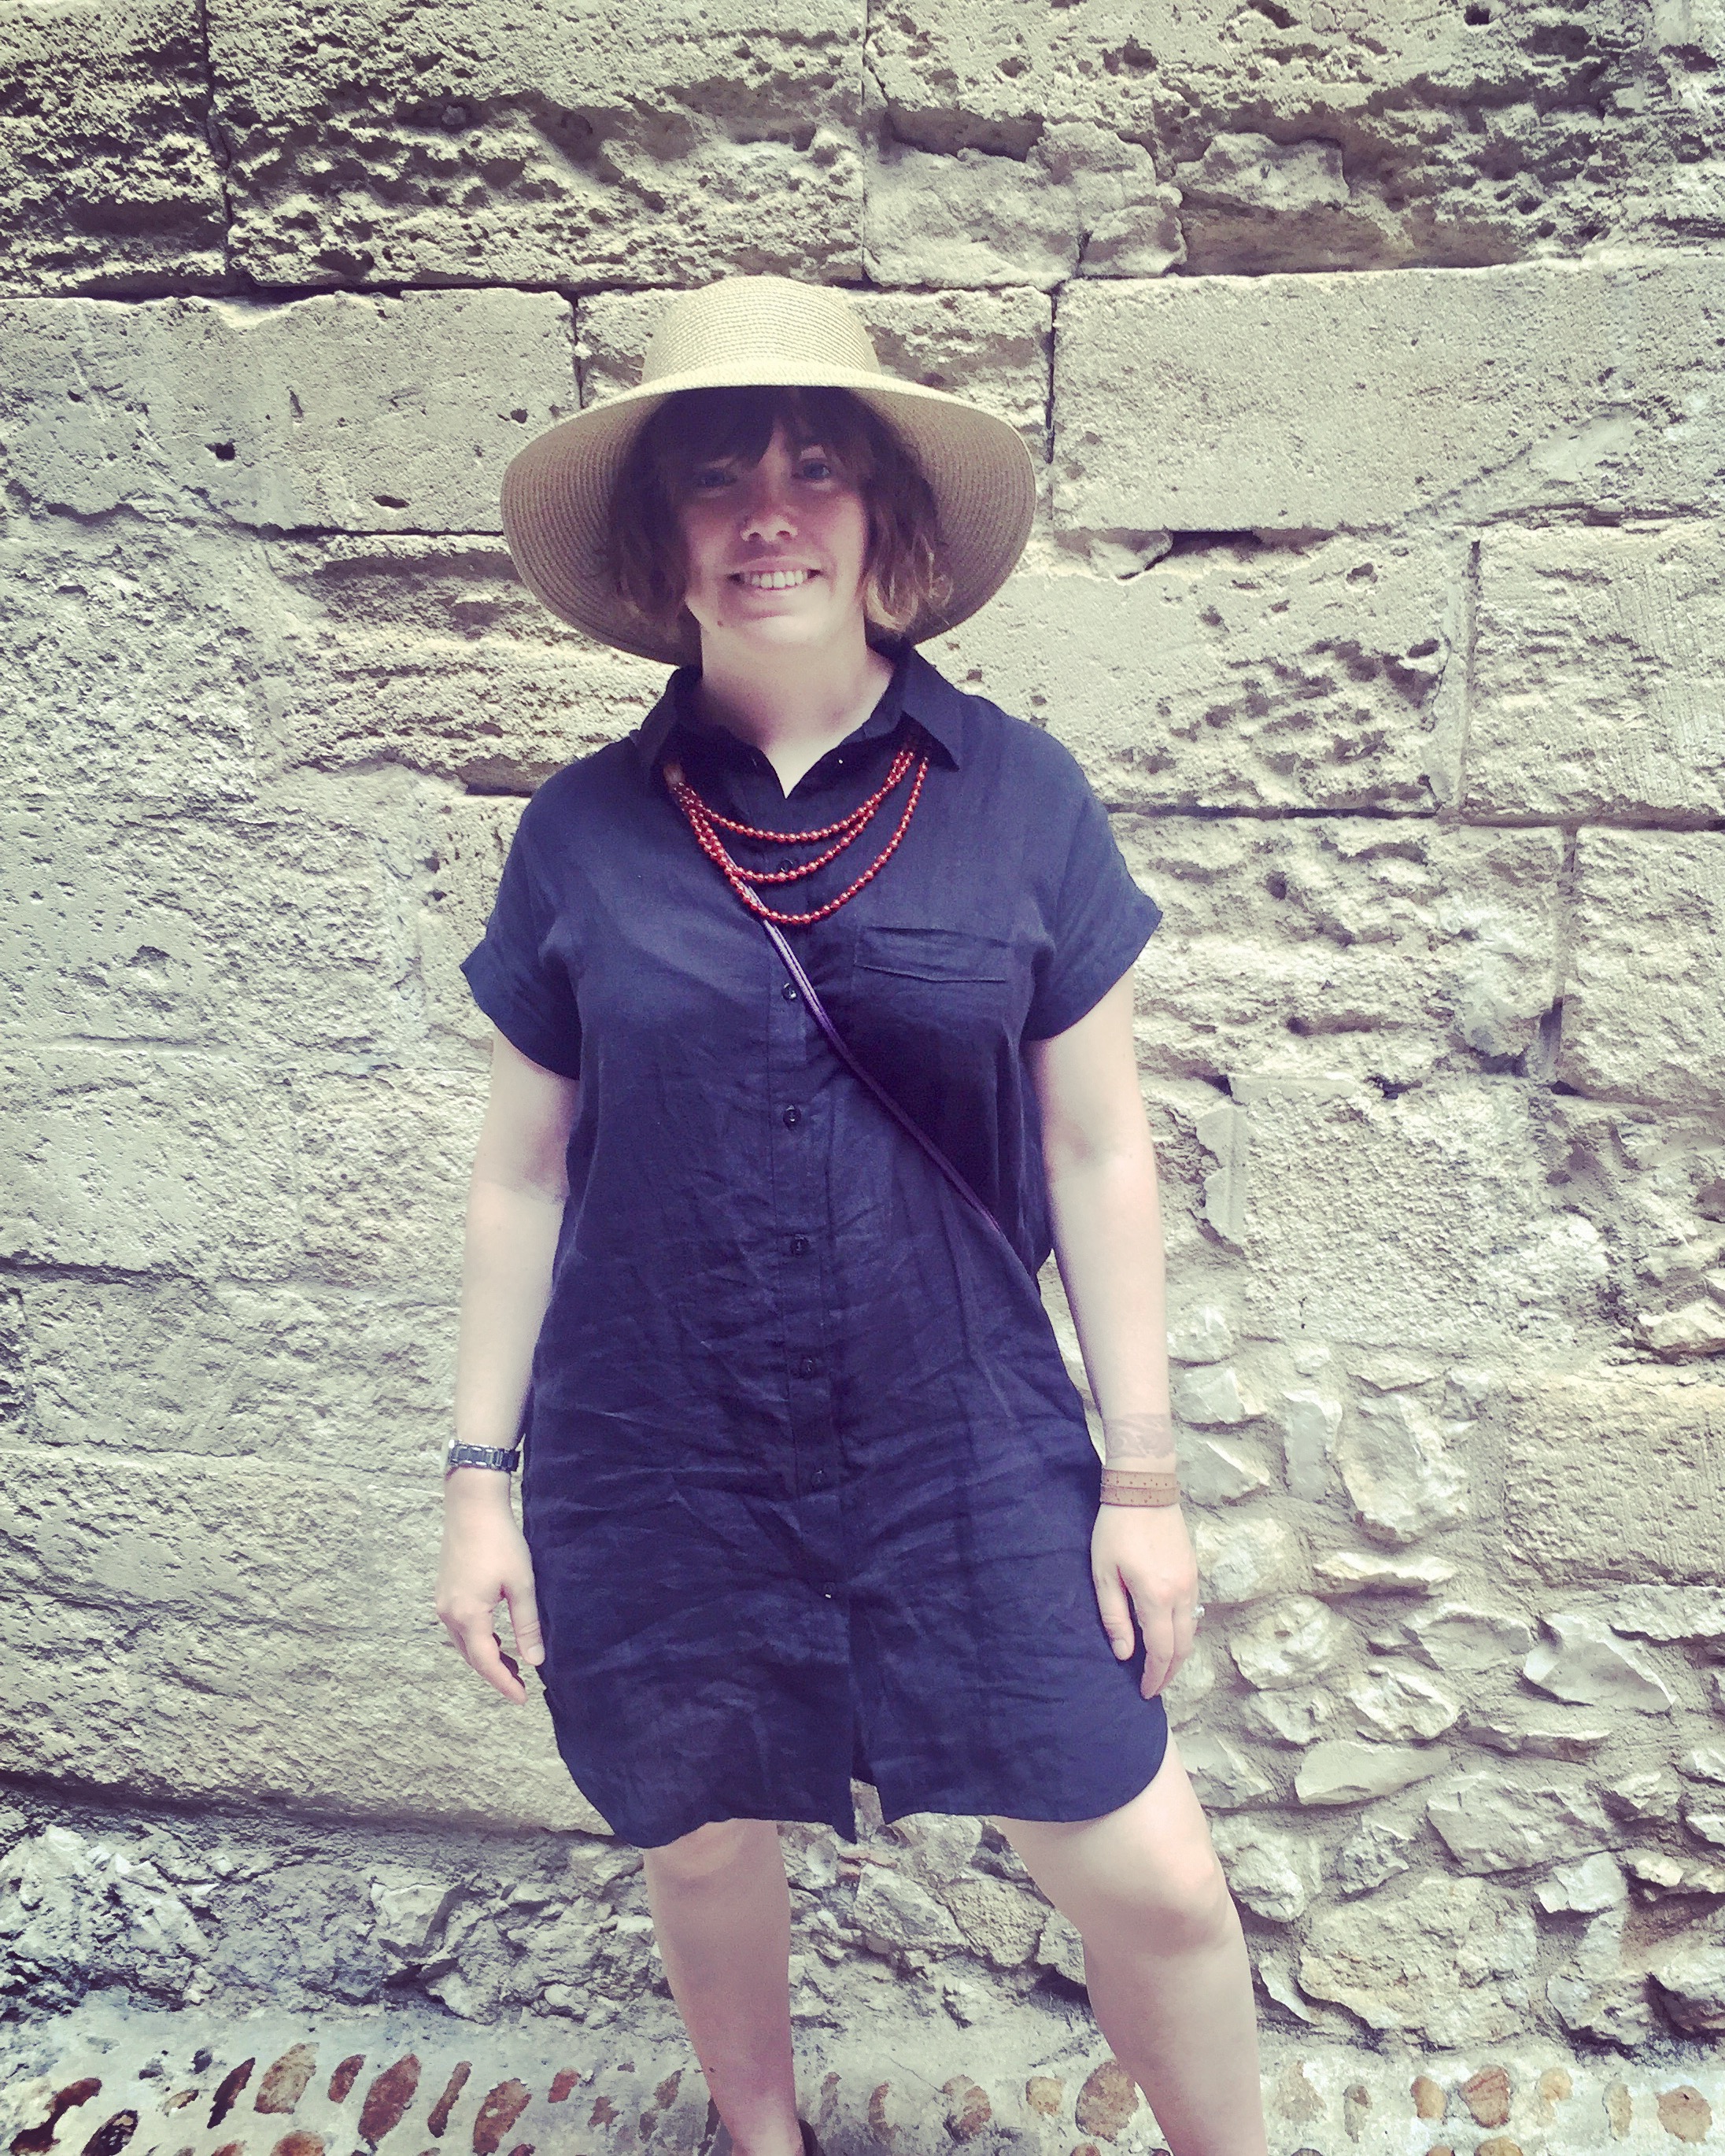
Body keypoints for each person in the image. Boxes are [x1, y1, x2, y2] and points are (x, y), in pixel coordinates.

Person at [435, 275, 1269, 2156]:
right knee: (701, 1831)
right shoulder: (580, 832)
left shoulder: (1022, 799)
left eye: (813, 466)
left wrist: (1142, 1479)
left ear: (880, 516)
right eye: (715, 475)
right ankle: (763, 2137)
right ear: (664, 537)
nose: (767, 512)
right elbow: (518, 1171)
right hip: (661, 1440)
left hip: (960, 1437)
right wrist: (479, 1479)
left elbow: (1100, 1153)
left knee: (1153, 1878)